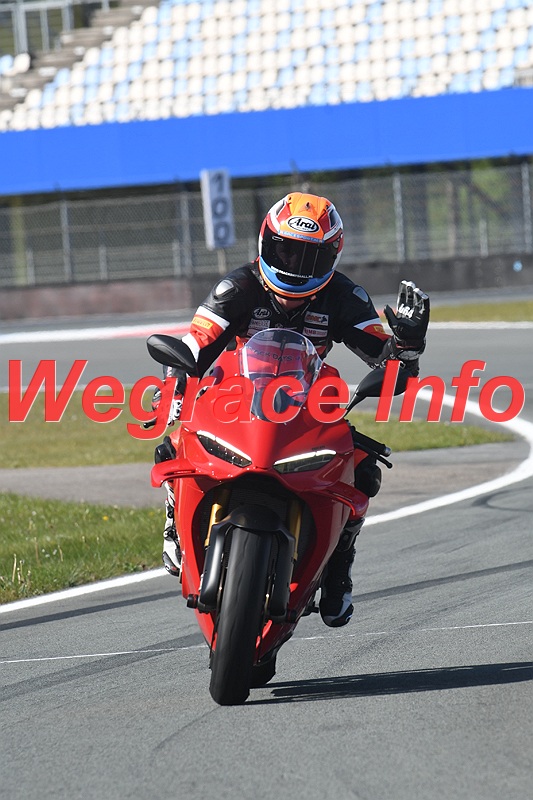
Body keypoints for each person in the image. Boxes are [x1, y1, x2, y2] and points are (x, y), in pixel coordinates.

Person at [153, 192, 430, 627]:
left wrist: (408, 345)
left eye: (310, 257)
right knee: (173, 443)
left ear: (332, 257)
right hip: (236, 400)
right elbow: (194, 346)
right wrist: (173, 392)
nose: (295, 266)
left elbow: (390, 366)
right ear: (266, 242)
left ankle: (338, 570)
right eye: (286, 251)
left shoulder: (345, 297)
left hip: (307, 404)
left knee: (362, 468)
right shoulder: (237, 287)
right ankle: (175, 521)